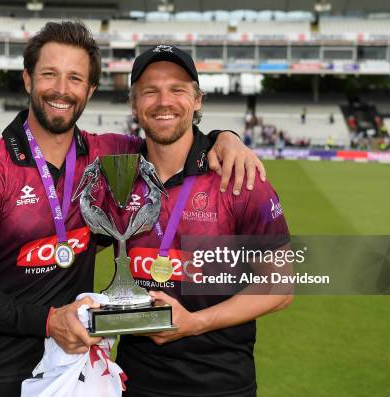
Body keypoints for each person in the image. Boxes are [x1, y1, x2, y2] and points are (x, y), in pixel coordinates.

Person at [0, 22, 265, 397]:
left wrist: (225, 139)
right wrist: (47, 321)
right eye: (49, 75)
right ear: (28, 80)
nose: (62, 89)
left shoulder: (109, 155)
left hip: (75, 371)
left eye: (75, 78)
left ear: (90, 89)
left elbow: (171, 137)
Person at [112, 45, 292, 397]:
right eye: (150, 91)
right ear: (134, 105)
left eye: (178, 89)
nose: (164, 100)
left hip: (221, 383)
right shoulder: (118, 174)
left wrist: (194, 323)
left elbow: (280, 288)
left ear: (197, 101)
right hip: (134, 381)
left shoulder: (239, 178)